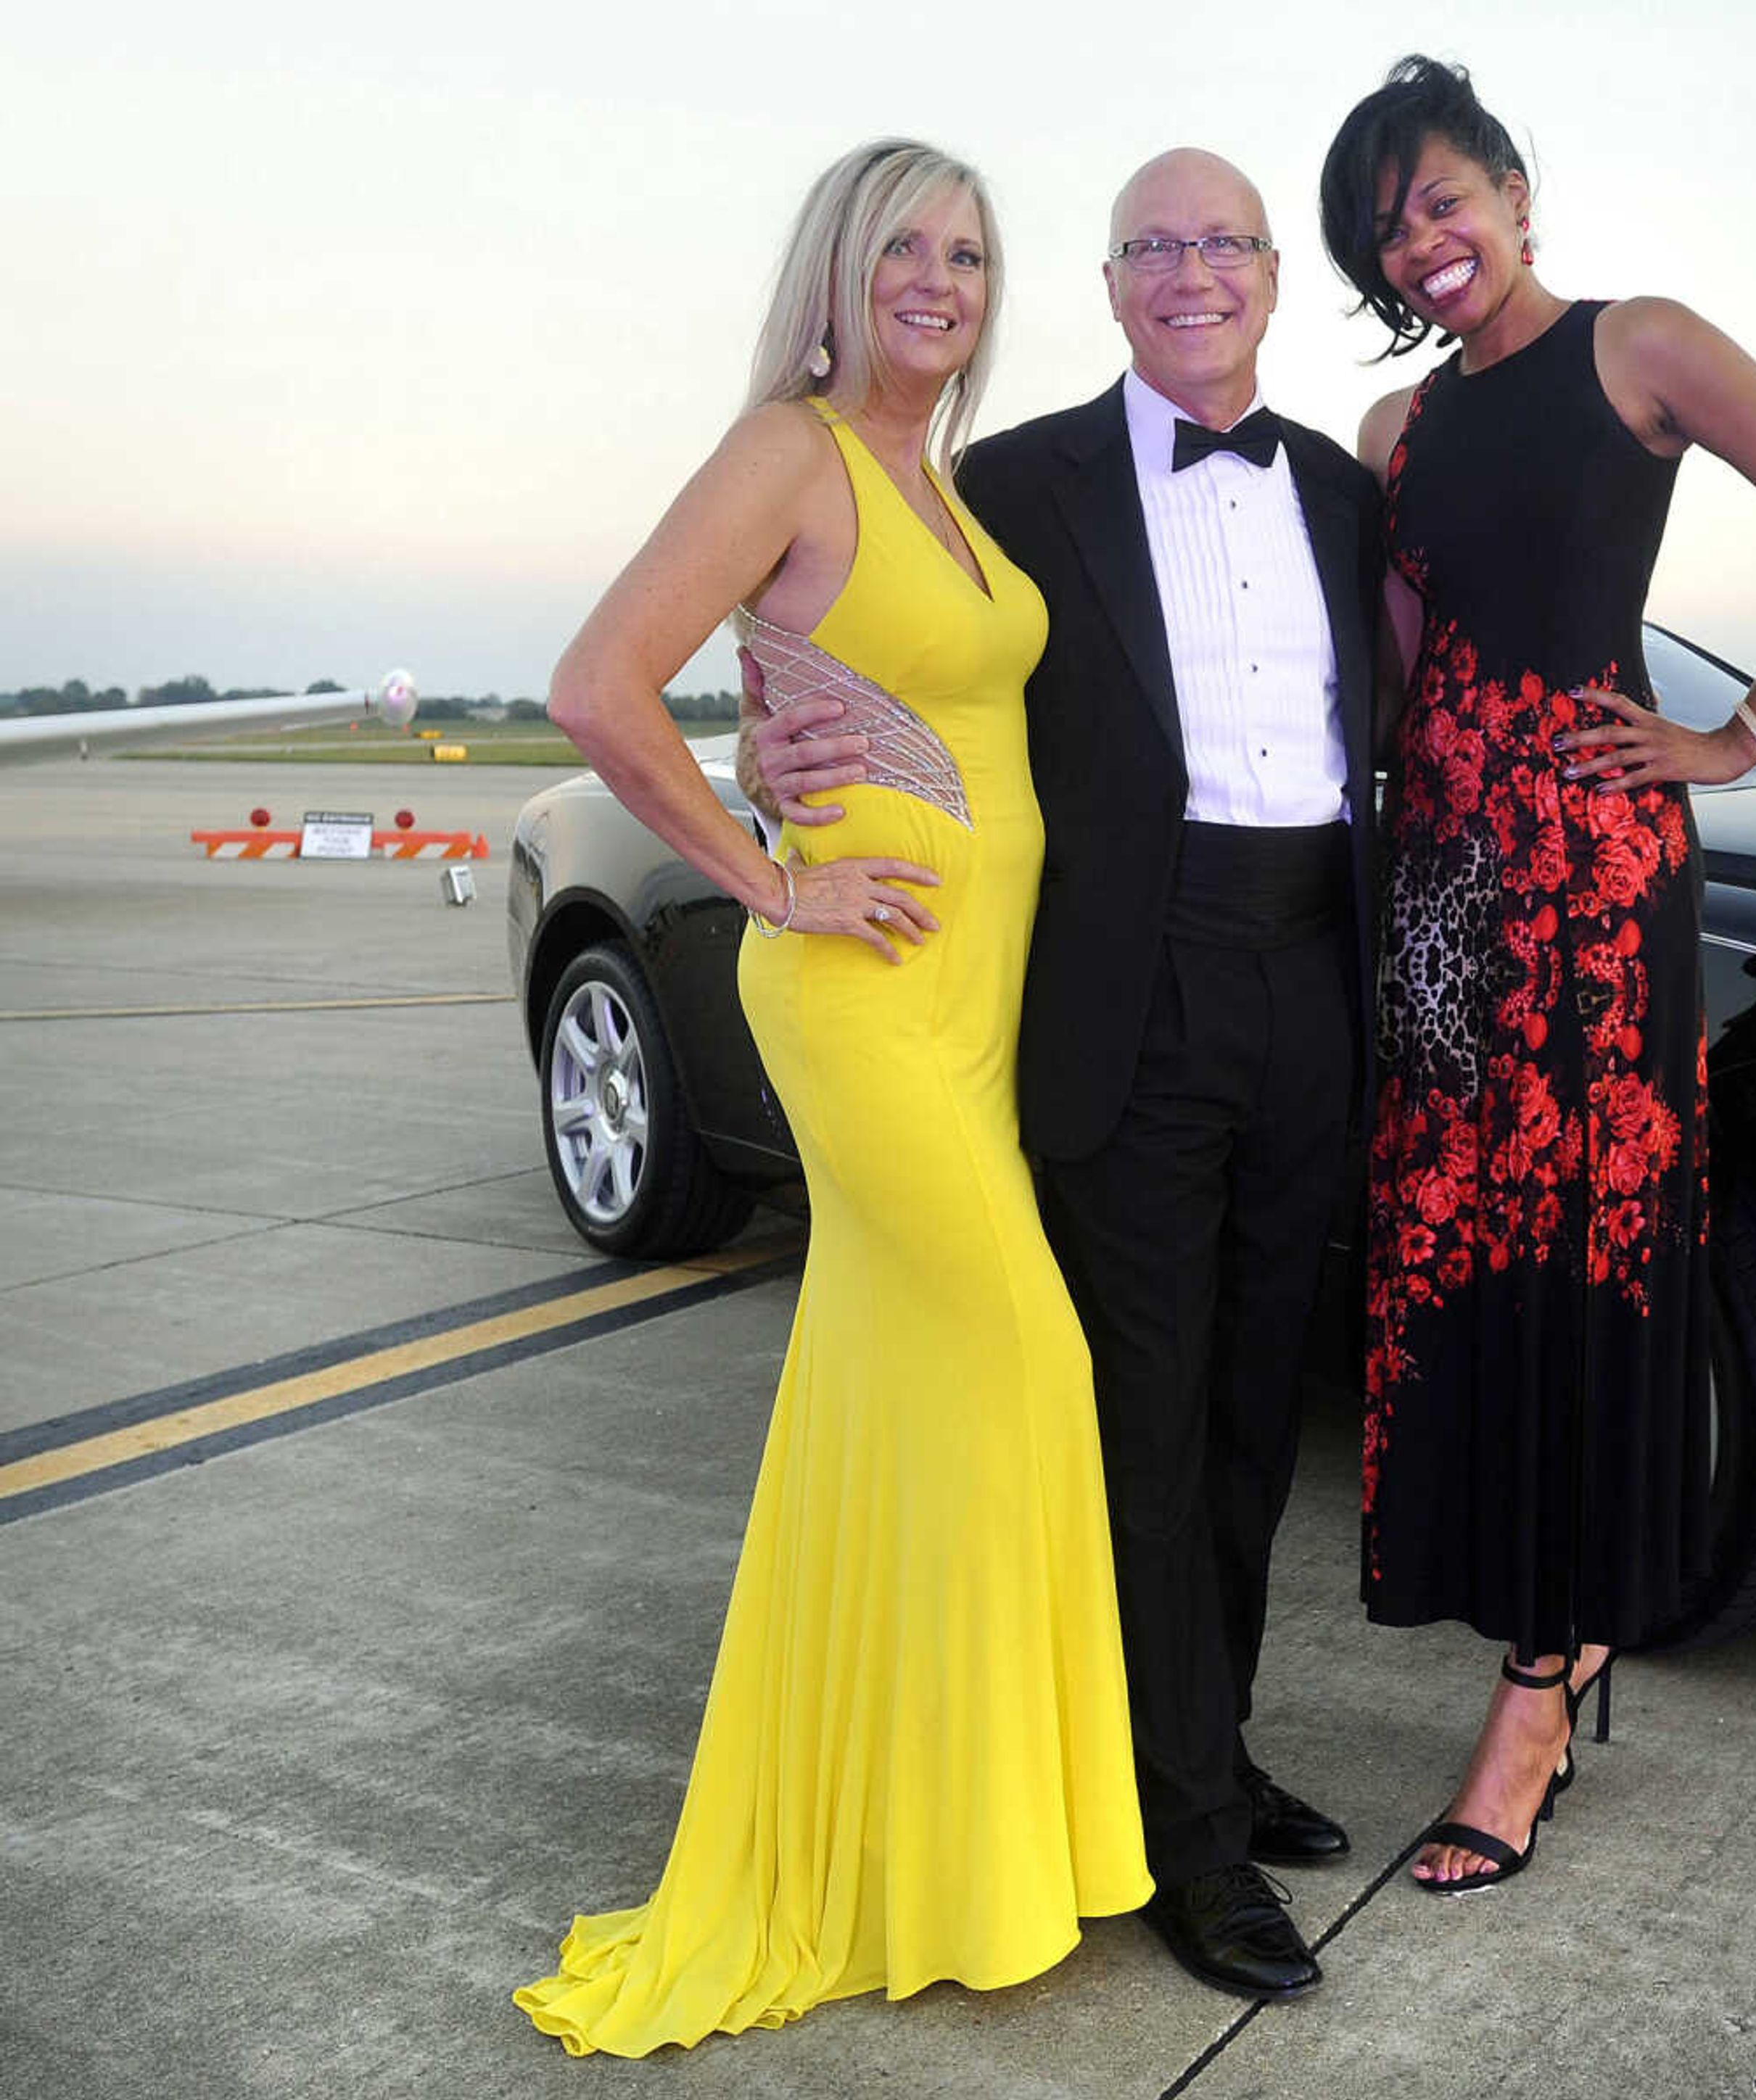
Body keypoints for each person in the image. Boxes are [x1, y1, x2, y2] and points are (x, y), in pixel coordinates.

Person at [513, 139, 1150, 2055]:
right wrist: (772, 870)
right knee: (1022, 1365)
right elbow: (596, 681)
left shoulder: (934, 482)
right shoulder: (789, 447)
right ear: (840, 270)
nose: (943, 280)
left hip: (974, 1005)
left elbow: (916, 692)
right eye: (908, 249)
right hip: (862, 998)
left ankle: (938, 1856)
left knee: (892, 1408)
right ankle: (946, 1857)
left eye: (970, 252)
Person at [746, 146, 1380, 2002]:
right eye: (1155, 248)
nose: (1195, 274)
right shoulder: (1001, 483)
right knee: (1141, 1419)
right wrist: (773, 771)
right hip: (1129, 992)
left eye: (1228, 246)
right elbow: (825, 632)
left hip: (1311, 981)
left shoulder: (1342, 493)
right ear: (1108, 288)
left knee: (1258, 1417)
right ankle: (1182, 1838)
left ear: (1273, 280)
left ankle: (1206, 1747)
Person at [1317, 57, 1756, 1894]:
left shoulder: (1639, 347)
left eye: (1442, 200)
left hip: (1594, 868)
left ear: (1512, 187)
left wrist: (1743, 730)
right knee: (1456, 1245)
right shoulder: (1392, 437)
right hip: (1441, 881)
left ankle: (1542, 1694)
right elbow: (1396, 674)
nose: (1423, 244)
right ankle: (1525, 1624)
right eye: (1385, 229)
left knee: (1584, 1248)